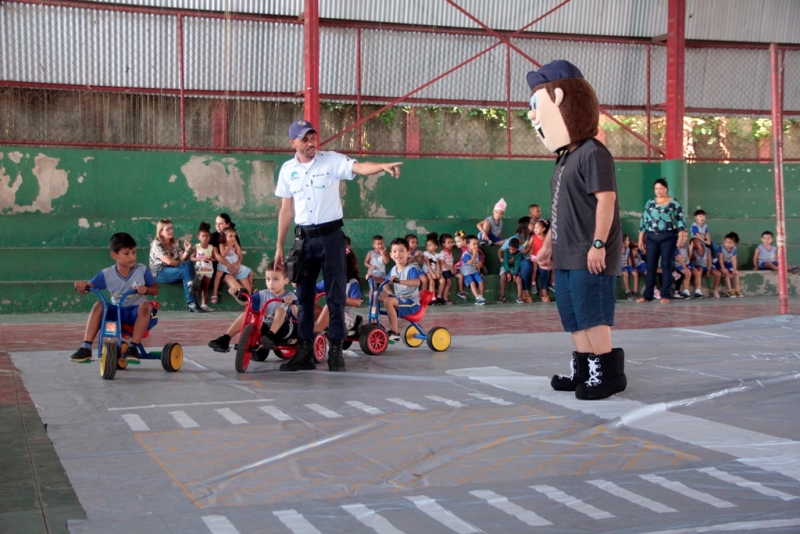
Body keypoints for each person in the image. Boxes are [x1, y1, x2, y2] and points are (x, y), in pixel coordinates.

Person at [527, 59, 625, 401]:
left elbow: (606, 200)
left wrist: (598, 244)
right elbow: (561, 206)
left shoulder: (594, 153)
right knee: (574, 316)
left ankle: (607, 375)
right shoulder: (565, 157)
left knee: (593, 314)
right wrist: (549, 245)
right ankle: (585, 371)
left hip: (589, 253)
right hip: (567, 252)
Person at [274, 119, 402, 372]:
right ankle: (304, 352)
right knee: (304, 296)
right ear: (293, 143)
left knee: (335, 296)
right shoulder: (288, 170)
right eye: (305, 138)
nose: (311, 142)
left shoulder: (331, 160)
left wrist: (381, 166)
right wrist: (279, 244)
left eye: (313, 137)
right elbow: (286, 210)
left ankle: (335, 351)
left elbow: (359, 166)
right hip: (304, 241)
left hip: (331, 238)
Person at [70, 232, 158, 363]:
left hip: (136, 311)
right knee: (99, 305)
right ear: (114, 255)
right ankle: (86, 347)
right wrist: (83, 286)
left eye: (134, 252)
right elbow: (90, 287)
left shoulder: (142, 270)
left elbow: (155, 289)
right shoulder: (106, 274)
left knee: (146, 306)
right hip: (117, 311)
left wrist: (145, 289)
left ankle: (133, 347)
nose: (132, 257)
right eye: (127, 253)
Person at [208, 262, 297, 353]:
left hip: (284, 331)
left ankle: (271, 334)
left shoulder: (290, 296)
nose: (271, 283)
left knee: (280, 310)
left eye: (276, 279)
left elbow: (298, 316)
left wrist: (292, 304)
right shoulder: (262, 294)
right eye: (268, 279)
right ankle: (226, 338)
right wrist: (235, 295)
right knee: (249, 313)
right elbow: (246, 302)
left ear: (285, 280)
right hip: (265, 330)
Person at [636, 178, 688, 304]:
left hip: (668, 237)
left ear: (666, 189)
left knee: (666, 265)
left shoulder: (674, 203)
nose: (658, 191)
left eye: (661, 188)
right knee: (651, 266)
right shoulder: (650, 203)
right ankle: (648, 295)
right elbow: (644, 221)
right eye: (656, 188)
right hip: (651, 237)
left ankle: (665, 294)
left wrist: (681, 236)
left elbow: (680, 221)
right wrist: (640, 239)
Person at [149, 218, 201, 312]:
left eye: (171, 228)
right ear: (161, 232)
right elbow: (169, 262)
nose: (171, 231)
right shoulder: (156, 244)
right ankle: (192, 301)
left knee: (188, 263)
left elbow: (182, 258)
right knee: (184, 270)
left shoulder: (176, 241)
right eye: (167, 229)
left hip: (173, 268)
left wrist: (187, 249)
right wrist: (180, 263)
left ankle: (190, 285)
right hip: (159, 271)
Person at [375, 237, 421, 343]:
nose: (398, 254)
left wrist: (399, 281)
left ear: (408, 253)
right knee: (376, 294)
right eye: (395, 251)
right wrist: (373, 277)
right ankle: (374, 324)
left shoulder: (411, 268)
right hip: (399, 299)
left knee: (388, 301)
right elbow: (385, 282)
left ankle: (394, 332)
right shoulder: (393, 269)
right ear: (391, 255)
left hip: (411, 302)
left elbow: (417, 282)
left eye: (401, 251)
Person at [314, 248, 363, 337]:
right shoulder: (329, 281)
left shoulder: (352, 283)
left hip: (346, 319)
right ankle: (313, 327)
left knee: (329, 307)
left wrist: (341, 297)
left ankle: (314, 333)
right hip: (331, 315)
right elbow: (315, 289)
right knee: (308, 306)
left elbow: (358, 302)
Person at [209, 213, 240, 304]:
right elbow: (217, 255)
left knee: (245, 275)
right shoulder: (214, 236)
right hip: (219, 268)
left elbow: (239, 253)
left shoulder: (234, 236)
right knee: (227, 276)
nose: (217, 226)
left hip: (232, 265)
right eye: (216, 223)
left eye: (220, 223)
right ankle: (244, 297)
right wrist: (229, 265)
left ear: (228, 224)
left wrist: (236, 264)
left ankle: (250, 296)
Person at [217, 226, 254, 296]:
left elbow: (240, 256)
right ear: (225, 236)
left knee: (250, 273)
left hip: (236, 266)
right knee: (244, 294)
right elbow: (223, 254)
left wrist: (237, 246)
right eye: (230, 236)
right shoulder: (222, 244)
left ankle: (251, 290)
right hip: (226, 268)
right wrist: (229, 246)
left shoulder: (235, 245)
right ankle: (237, 292)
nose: (233, 238)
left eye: (234, 236)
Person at [191, 221, 215, 311]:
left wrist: (210, 258)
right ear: (199, 237)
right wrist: (201, 259)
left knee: (206, 287)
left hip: (208, 270)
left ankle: (204, 304)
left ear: (209, 237)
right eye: (203, 236)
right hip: (199, 270)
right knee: (197, 287)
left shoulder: (211, 247)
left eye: (207, 236)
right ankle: (195, 303)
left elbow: (215, 258)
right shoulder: (196, 247)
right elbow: (192, 258)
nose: (205, 238)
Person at [460, 235, 486, 305]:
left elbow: (477, 264)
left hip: (474, 271)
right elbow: (471, 263)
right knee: (472, 283)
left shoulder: (477, 253)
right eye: (473, 244)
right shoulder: (466, 254)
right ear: (468, 245)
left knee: (481, 281)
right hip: (467, 273)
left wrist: (479, 272)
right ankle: (477, 298)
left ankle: (481, 296)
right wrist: (474, 254)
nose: (476, 246)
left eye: (477, 244)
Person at [530, 219, 551, 302]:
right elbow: (528, 246)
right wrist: (525, 250)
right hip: (535, 257)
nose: (535, 229)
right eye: (534, 227)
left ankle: (548, 287)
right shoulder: (533, 237)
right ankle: (533, 284)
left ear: (543, 229)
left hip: (544, 258)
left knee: (549, 267)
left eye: (538, 227)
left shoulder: (547, 237)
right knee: (535, 269)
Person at [717, 232, 742, 297]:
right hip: (720, 263)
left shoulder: (734, 249)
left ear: (734, 243)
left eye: (730, 243)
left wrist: (734, 269)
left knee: (736, 273)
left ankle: (737, 290)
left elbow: (734, 259)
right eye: (726, 242)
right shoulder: (721, 247)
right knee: (726, 272)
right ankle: (729, 290)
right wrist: (722, 268)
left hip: (728, 263)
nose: (727, 244)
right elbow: (720, 258)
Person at [498, 237, 523, 303]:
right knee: (503, 276)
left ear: (518, 248)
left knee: (519, 279)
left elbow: (517, 264)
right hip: (505, 267)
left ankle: (520, 297)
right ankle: (502, 295)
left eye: (514, 250)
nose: (511, 251)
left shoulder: (519, 254)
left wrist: (515, 274)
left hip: (514, 268)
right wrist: (508, 272)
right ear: (508, 247)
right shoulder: (506, 251)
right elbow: (505, 262)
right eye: (510, 249)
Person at [421, 232, 442, 300]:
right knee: (431, 281)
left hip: (434, 270)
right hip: (427, 270)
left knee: (442, 280)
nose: (427, 247)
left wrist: (438, 273)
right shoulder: (426, 254)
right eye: (427, 245)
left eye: (430, 245)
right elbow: (428, 265)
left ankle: (439, 296)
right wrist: (432, 274)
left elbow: (438, 264)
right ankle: (432, 297)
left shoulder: (437, 255)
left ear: (436, 246)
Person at [438, 233, 455, 304]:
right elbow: (442, 263)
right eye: (448, 243)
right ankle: (444, 297)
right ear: (443, 244)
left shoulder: (450, 252)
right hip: (445, 271)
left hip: (449, 270)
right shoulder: (442, 253)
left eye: (451, 242)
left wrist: (453, 268)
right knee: (449, 282)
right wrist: (451, 268)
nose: (451, 244)